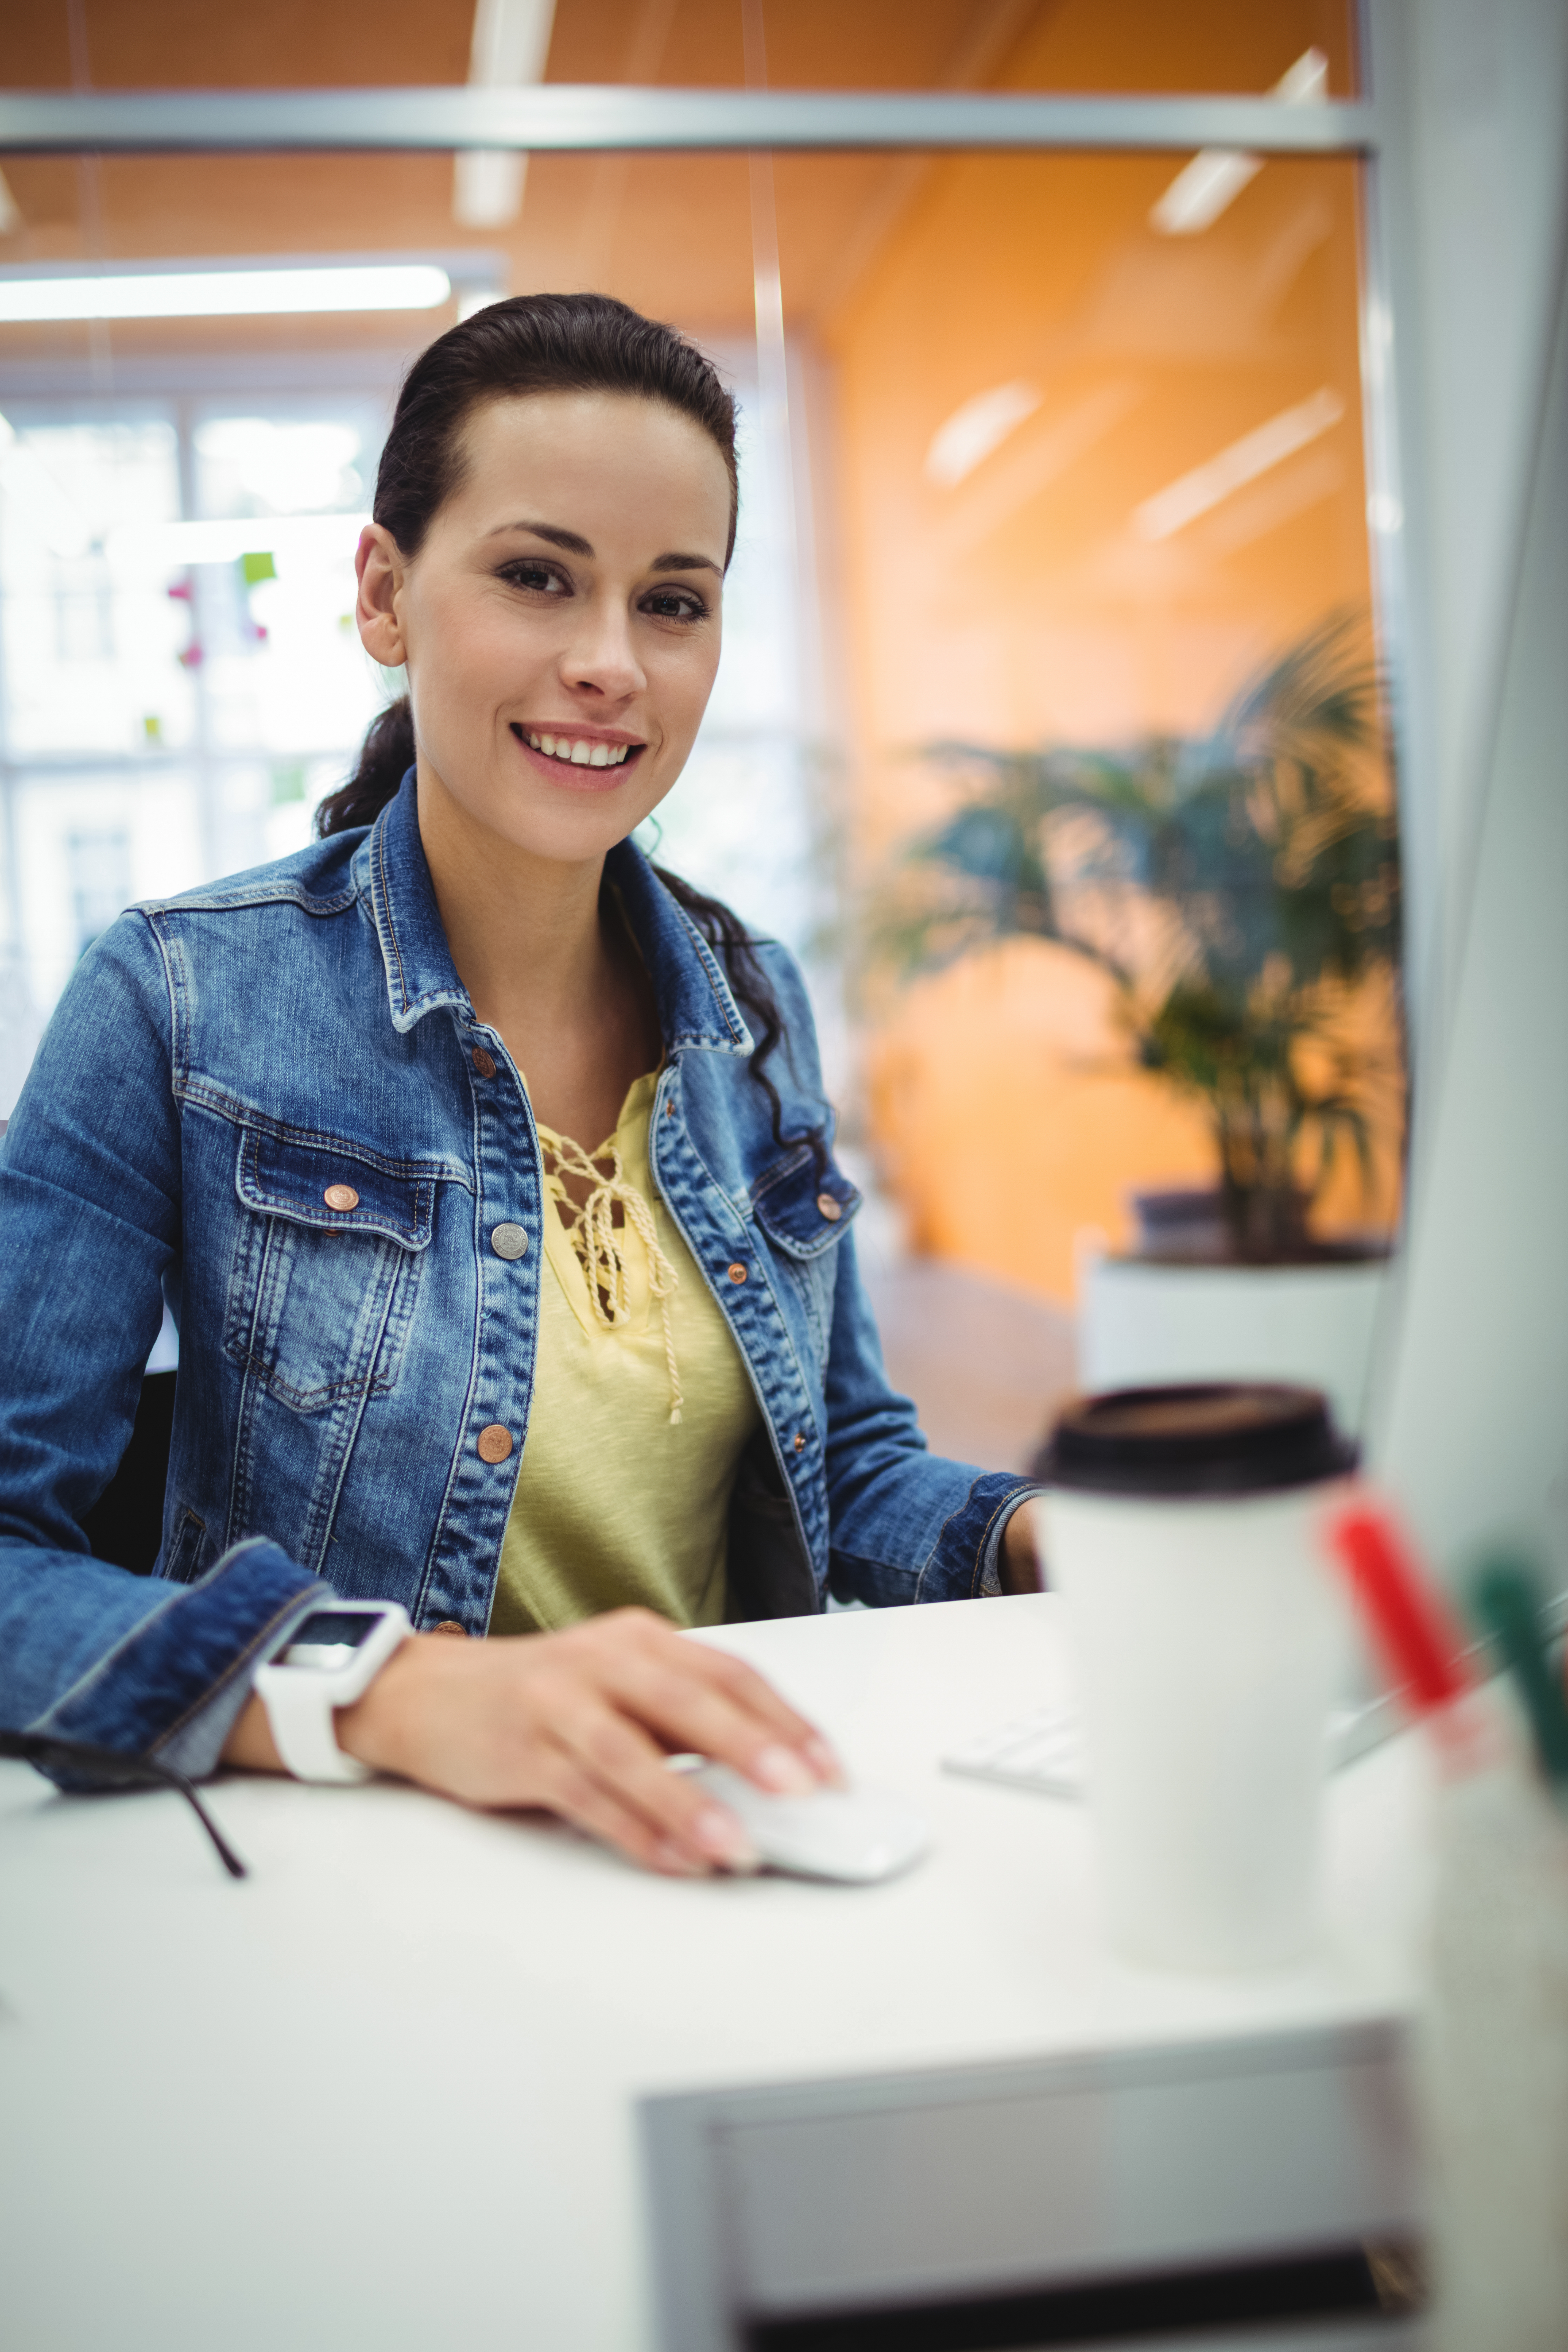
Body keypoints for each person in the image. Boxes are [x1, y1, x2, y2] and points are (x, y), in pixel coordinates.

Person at [0, 293, 1040, 1877]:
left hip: (722, 1842)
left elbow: (850, 1468)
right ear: (383, 592)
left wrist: (1044, 1537)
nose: (609, 663)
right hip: (362, 1874)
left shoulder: (747, 1004)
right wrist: (399, 1693)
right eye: (536, 577)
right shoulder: (176, 1001)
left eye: (672, 601)